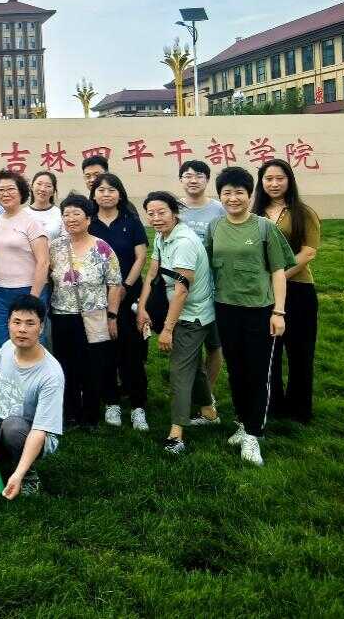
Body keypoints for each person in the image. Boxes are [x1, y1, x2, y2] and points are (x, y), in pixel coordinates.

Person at [205, 166, 294, 466]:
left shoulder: (264, 228)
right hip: (225, 308)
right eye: (227, 193)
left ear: (250, 194)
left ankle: (255, 434)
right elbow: (206, 266)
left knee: (258, 372)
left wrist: (278, 311)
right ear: (220, 196)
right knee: (237, 370)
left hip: (259, 310)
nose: (233, 198)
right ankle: (243, 422)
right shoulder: (214, 227)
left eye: (239, 193)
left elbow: (278, 271)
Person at [138, 191, 216, 457]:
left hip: (192, 315)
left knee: (179, 370)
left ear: (174, 213)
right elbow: (152, 272)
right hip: (178, 308)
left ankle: (176, 434)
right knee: (193, 365)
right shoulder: (162, 236)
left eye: (162, 212)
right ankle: (209, 412)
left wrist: (167, 330)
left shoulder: (183, 241)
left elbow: (182, 291)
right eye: (151, 213)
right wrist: (143, 308)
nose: (156, 218)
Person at [0, 296, 64, 499]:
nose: (22, 329)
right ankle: (1, 457)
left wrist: (17, 475)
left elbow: (40, 430)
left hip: (32, 432)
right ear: (8, 323)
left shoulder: (51, 374)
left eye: (30, 323)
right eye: (16, 322)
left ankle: (28, 475)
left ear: (41, 327)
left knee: (13, 427)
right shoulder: (10, 346)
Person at [254, 158, 322, 424]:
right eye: (268, 179)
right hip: (262, 293)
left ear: (289, 180)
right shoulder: (254, 213)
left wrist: (278, 276)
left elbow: (308, 252)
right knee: (269, 352)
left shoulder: (303, 213)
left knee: (300, 352)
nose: (274, 183)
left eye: (280, 178)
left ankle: (300, 409)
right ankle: (272, 405)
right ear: (261, 182)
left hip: (298, 290)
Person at [47, 193, 123, 429]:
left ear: (88, 218)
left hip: (94, 316)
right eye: (66, 214)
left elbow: (114, 284)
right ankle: (70, 413)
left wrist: (112, 316)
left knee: (92, 366)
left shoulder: (102, 248)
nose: (71, 218)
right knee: (65, 365)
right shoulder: (55, 247)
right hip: (62, 315)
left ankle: (90, 416)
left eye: (76, 213)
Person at [88, 173, 150, 430]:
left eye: (111, 189)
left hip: (129, 294)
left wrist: (125, 286)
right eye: (101, 190)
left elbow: (141, 256)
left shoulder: (130, 221)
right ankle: (111, 401)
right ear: (94, 195)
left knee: (132, 350)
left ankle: (138, 406)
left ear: (120, 194)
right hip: (96, 297)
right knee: (103, 350)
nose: (106, 194)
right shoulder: (89, 222)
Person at [177, 158, 226, 424]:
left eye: (198, 175)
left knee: (214, 344)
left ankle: (209, 394)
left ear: (207, 180)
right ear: (181, 180)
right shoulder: (176, 209)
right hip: (183, 289)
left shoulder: (219, 209)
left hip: (214, 287)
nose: (193, 180)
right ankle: (200, 396)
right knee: (190, 347)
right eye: (187, 175)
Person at [0, 169, 49, 348]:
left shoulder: (31, 222)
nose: (5, 194)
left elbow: (44, 262)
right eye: (0, 190)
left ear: (21, 192)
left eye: (10, 189)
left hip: (28, 290)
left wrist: (34, 298)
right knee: (3, 343)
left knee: (31, 342)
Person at [27, 171, 63, 242]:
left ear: (53, 191)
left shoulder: (60, 214)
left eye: (48, 186)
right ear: (32, 187)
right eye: (39, 184)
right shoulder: (23, 214)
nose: (42, 189)